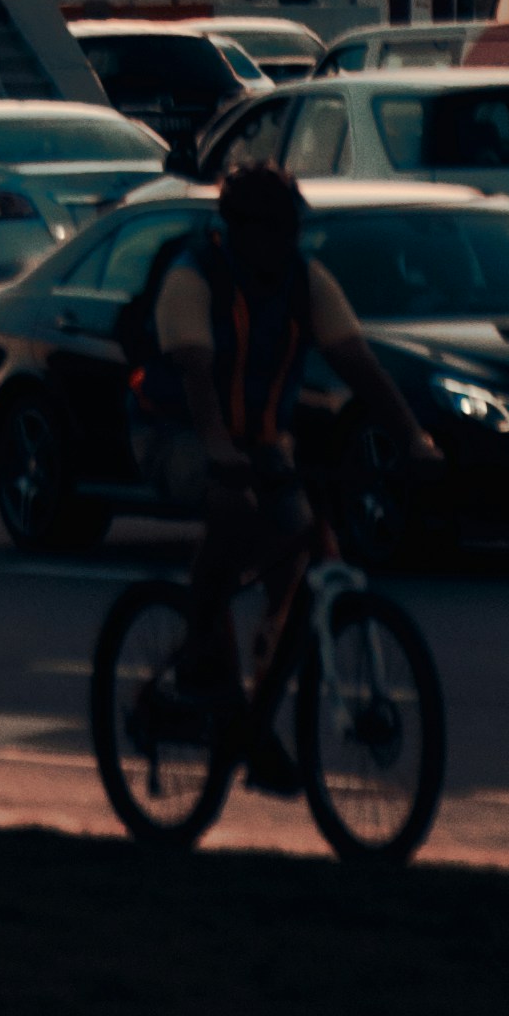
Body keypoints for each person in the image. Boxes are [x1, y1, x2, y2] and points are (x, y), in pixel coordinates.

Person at [148, 160, 434, 784]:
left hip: (260, 441)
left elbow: (358, 364)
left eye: (290, 228)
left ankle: (254, 702)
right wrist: (221, 452)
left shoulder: (307, 283)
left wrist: (411, 437)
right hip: (179, 433)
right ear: (237, 230)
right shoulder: (193, 278)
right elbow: (196, 376)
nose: (284, 242)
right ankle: (207, 670)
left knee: (301, 549)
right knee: (233, 514)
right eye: (271, 229)